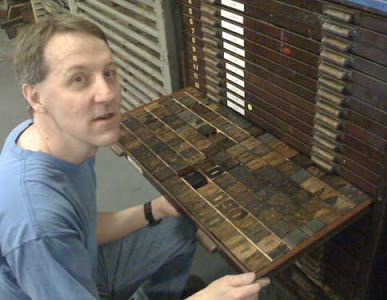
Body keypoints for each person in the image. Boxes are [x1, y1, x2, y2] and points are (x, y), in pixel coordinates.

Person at [0, 15, 270, 300]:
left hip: (82, 264)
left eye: (108, 73)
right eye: (78, 79)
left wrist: (154, 209)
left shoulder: (53, 136)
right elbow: (54, 228)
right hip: (58, 286)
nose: (107, 93)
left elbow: (81, 227)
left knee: (179, 223)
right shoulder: (37, 222)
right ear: (35, 97)